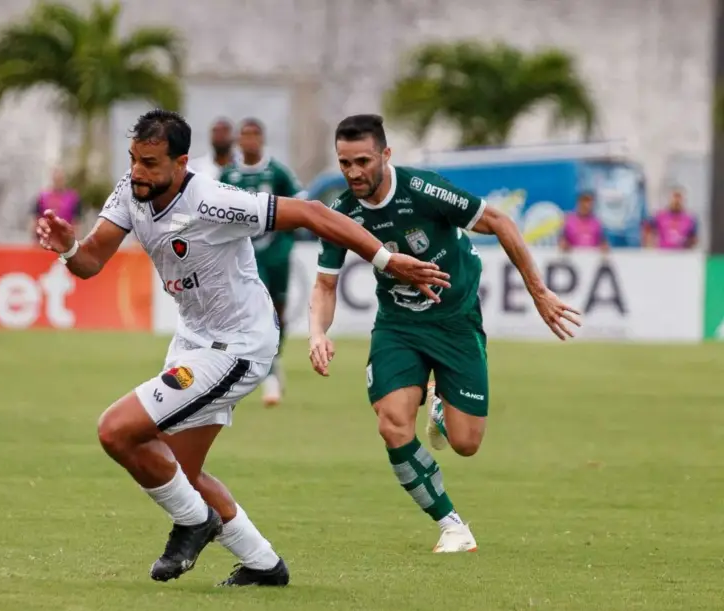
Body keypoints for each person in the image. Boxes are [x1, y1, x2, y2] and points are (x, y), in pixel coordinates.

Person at [36, 109, 449, 586]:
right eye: (133, 159)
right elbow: (90, 261)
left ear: (181, 161)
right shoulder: (130, 192)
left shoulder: (213, 199)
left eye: (150, 163)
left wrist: (384, 258)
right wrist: (69, 248)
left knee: (116, 431)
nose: (137, 172)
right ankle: (264, 565)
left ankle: (195, 523)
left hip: (239, 346)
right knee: (178, 474)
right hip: (192, 341)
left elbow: (314, 213)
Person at [309, 114, 581, 553]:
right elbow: (325, 284)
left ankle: (439, 404)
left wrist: (539, 292)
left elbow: (501, 223)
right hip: (398, 325)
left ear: (385, 155)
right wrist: (317, 332)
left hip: (456, 322)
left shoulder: (423, 190)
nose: (354, 172)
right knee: (392, 423)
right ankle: (452, 525)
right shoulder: (343, 212)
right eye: (344, 163)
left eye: (362, 160)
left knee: (466, 444)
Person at [219, 119, 304, 406]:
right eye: (245, 136)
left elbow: (300, 204)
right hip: (248, 256)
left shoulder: (277, 171)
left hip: (277, 251)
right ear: (239, 141)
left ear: (262, 140)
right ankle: (266, 374)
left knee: (279, 309)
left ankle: (274, 360)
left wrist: (289, 236)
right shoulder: (229, 175)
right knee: (260, 310)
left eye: (255, 135)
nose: (250, 141)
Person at [29, 167, 82, 240]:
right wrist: (34, 238)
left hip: (65, 240)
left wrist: (76, 241)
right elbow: (35, 219)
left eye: (60, 178)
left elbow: (77, 222)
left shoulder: (73, 198)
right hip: (46, 239)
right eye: (56, 178)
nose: (58, 181)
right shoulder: (42, 197)